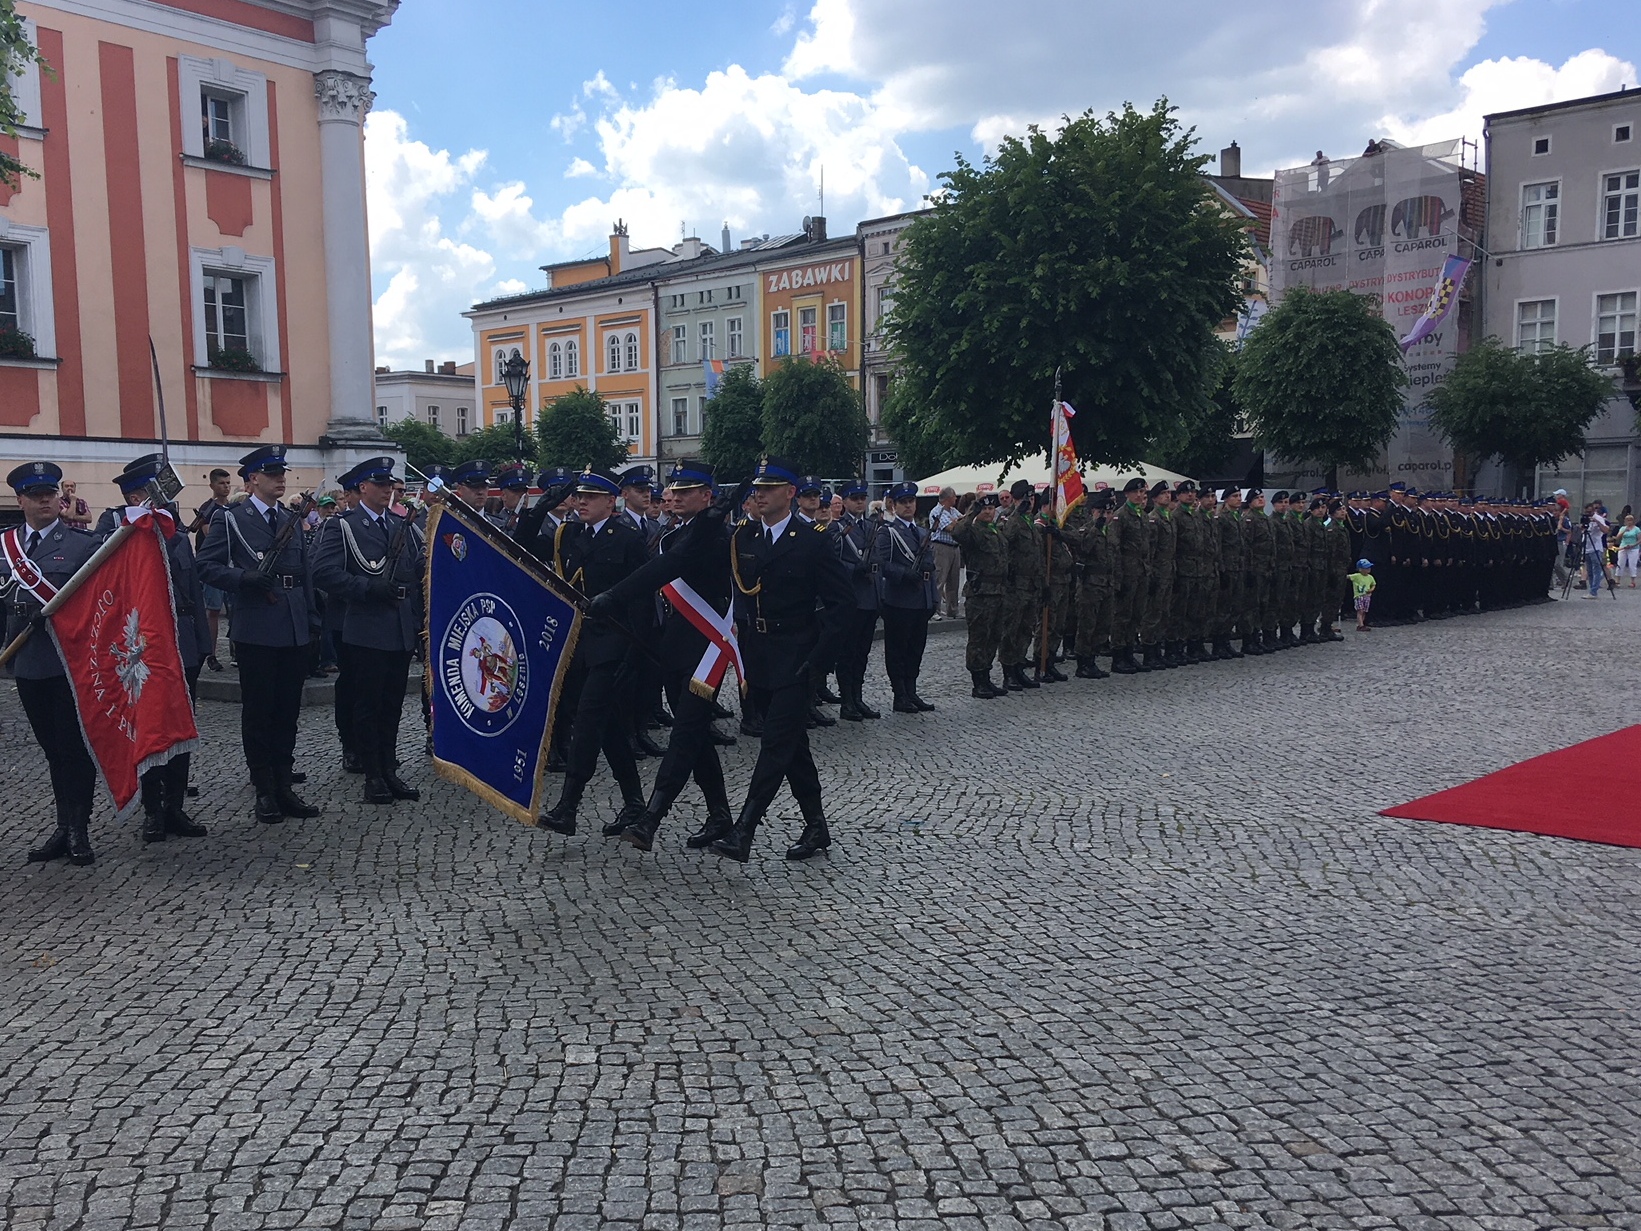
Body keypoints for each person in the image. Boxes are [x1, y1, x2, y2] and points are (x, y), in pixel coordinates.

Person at [703, 456, 852, 863]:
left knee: (775, 743)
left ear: (790, 493)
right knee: (792, 744)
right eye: (757, 488)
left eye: (769, 488)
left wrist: (820, 661)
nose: (760, 494)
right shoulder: (745, 538)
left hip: (797, 655)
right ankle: (816, 825)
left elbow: (842, 605)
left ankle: (744, 830)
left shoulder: (813, 540)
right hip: (759, 655)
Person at [597, 459, 737, 852]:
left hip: (705, 648)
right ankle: (719, 813)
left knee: (685, 732)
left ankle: (651, 817)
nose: (673, 496)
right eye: (673, 489)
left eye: (685, 491)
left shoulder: (711, 534)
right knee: (696, 734)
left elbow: (666, 567)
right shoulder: (679, 531)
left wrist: (613, 597)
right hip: (675, 645)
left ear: (706, 496)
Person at [196, 446, 321, 824]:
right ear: (252, 479)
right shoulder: (231, 519)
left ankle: (284, 783)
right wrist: (243, 578)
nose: (281, 479)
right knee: (259, 711)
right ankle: (264, 788)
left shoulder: (289, 518)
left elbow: (304, 571)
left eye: (282, 473)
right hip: (257, 625)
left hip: (294, 624)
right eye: (271, 473)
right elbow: (206, 566)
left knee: (287, 711)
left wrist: (311, 617)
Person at [93, 455, 213, 845]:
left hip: (182, 643)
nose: (166, 496)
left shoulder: (172, 527)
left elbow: (192, 589)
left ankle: (175, 805)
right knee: (147, 726)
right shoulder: (115, 527)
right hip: (141, 647)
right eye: (156, 490)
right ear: (136, 496)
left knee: (180, 724)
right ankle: (152, 810)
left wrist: (204, 642)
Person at [536, 468, 652, 837]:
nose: (581, 502)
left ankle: (568, 806)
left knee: (587, 722)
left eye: (590, 497)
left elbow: (642, 602)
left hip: (614, 646)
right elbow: (523, 547)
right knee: (610, 727)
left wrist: (635, 655)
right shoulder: (569, 535)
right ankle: (634, 802)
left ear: (610, 501)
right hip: (579, 645)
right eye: (579, 496)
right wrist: (540, 508)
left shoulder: (628, 539)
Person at [3, 462, 101, 865]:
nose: (45, 500)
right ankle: (63, 826)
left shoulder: (83, 544)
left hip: (69, 663)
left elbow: (100, 603)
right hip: (26, 662)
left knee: (74, 748)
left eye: (50, 493)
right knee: (52, 750)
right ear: (21, 500)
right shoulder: (6, 547)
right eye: (36, 494)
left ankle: (78, 829)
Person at [313, 457, 425, 805]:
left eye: (389, 484)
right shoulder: (343, 527)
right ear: (363, 488)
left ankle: (389, 768)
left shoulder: (401, 525)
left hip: (400, 627)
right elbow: (324, 572)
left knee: (392, 704)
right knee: (368, 704)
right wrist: (366, 587)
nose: (387, 489)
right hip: (366, 627)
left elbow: (416, 570)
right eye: (380, 484)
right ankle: (373, 773)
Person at [874, 481, 939, 712]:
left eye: (911, 501)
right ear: (894, 505)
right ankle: (899, 694)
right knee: (897, 650)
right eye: (903, 502)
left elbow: (930, 569)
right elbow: (881, 563)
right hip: (899, 600)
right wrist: (904, 574)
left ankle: (911, 690)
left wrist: (933, 599)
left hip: (921, 601)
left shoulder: (921, 532)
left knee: (915, 649)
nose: (908, 506)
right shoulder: (888, 532)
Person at [833, 479, 883, 722]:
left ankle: (858, 696)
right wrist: (854, 569)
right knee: (848, 652)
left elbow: (879, 558)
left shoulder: (871, 526)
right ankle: (847, 701)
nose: (860, 502)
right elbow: (833, 563)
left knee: (862, 652)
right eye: (855, 498)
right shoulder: (837, 528)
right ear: (844, 501)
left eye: (863, 498)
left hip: (870, 598)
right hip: (851, 598)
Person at [190, 467, 234, 670]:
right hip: (214, 566)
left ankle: (237, 652)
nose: (226, 487)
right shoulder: (208, 509)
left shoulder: (233, 507)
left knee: (235, 612)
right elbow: (211, 536)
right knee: (213, 611)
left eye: (228, 483)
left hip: (232, 566)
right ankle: (211, 654)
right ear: (212, 485)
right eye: (221, 483)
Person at [928, 486, 963, 620]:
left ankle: (953, 610)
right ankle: (935, 610)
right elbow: (948, 528)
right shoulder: (937, 511)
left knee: (954, 581)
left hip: (955, 546)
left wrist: (956, 522)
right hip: (941, 547)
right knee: (939, 579)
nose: (956, 499)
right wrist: (957, 522)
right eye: (954, 497)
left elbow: (962, 522)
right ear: (948, 498)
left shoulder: (953, 510)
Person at [1581, 504, 1610, 597]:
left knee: (1596, 569)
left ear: (1593, 511)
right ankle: (1592, 589)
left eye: (1589, 512)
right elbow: (1583, 529)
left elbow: (1606, 530)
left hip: (1596, 547)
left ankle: (1594, 591)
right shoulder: (1586, 518)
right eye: (1586, 512)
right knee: (1589, 570)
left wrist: (1596, 521)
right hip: (1587, 547)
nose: (1588, 514)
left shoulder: (1598, 518)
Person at [1616, 514, 1640, 587]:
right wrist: (1624, 531)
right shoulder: (1623, 528)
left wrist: (1633, 545)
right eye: (1627, 520)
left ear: (1633, 521)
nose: (1629, 522)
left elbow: (1639, 539)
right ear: (1625, 521)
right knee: (1620, 563)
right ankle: (1618, 581)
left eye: (1630, 520)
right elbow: (1617, 537)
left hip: (1633, 548)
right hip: (1623, 547)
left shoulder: (1636, 529)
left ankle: (1632, 581)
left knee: (1632, 564)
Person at [1351, 559, 1376, 630]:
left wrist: (1371, 589)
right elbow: (1348, 577)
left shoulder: (1370, 577)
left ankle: (1361, 624)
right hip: (1359, 596)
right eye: (1366, 568)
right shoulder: (1356, 576)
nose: (1368, 569)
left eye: (1369, 567)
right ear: (1360, 569)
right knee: (1360, 610)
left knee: (1364, 611)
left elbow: (1373, 584)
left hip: (1367, 596)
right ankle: (1361, 625)